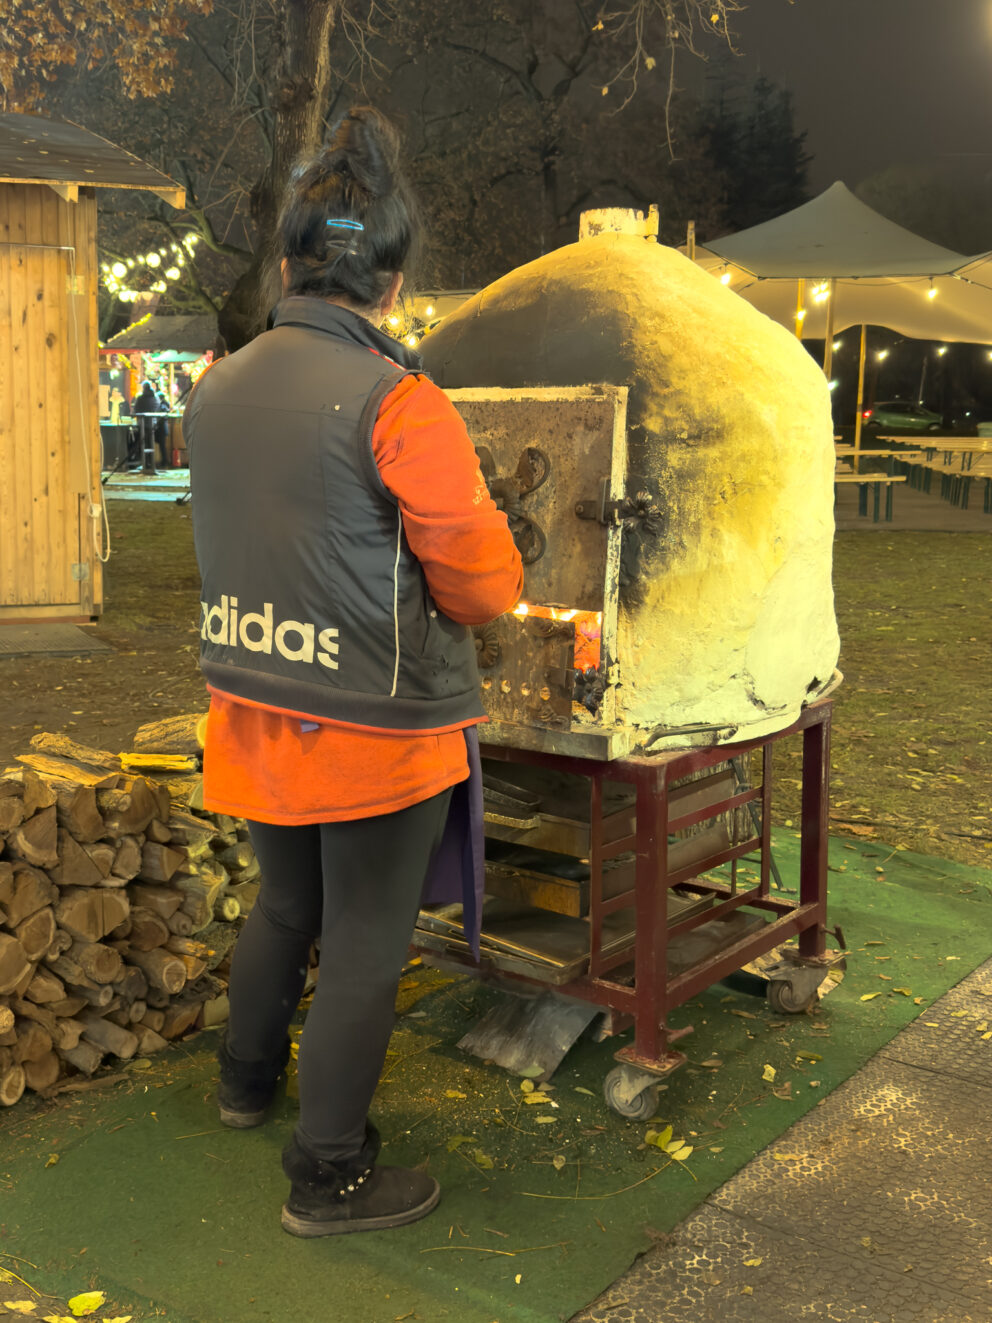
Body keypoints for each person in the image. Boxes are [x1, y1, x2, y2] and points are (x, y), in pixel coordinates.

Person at [184, 106, 523, 1239]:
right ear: (391, 282)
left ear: (286, 266)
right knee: (368, 946)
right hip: (376, 726)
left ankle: (244, 1085)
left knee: (286, 903)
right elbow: (481, 586)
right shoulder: (400, 403)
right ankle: (326, 1175)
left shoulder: (214, 387)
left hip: (252, 699)